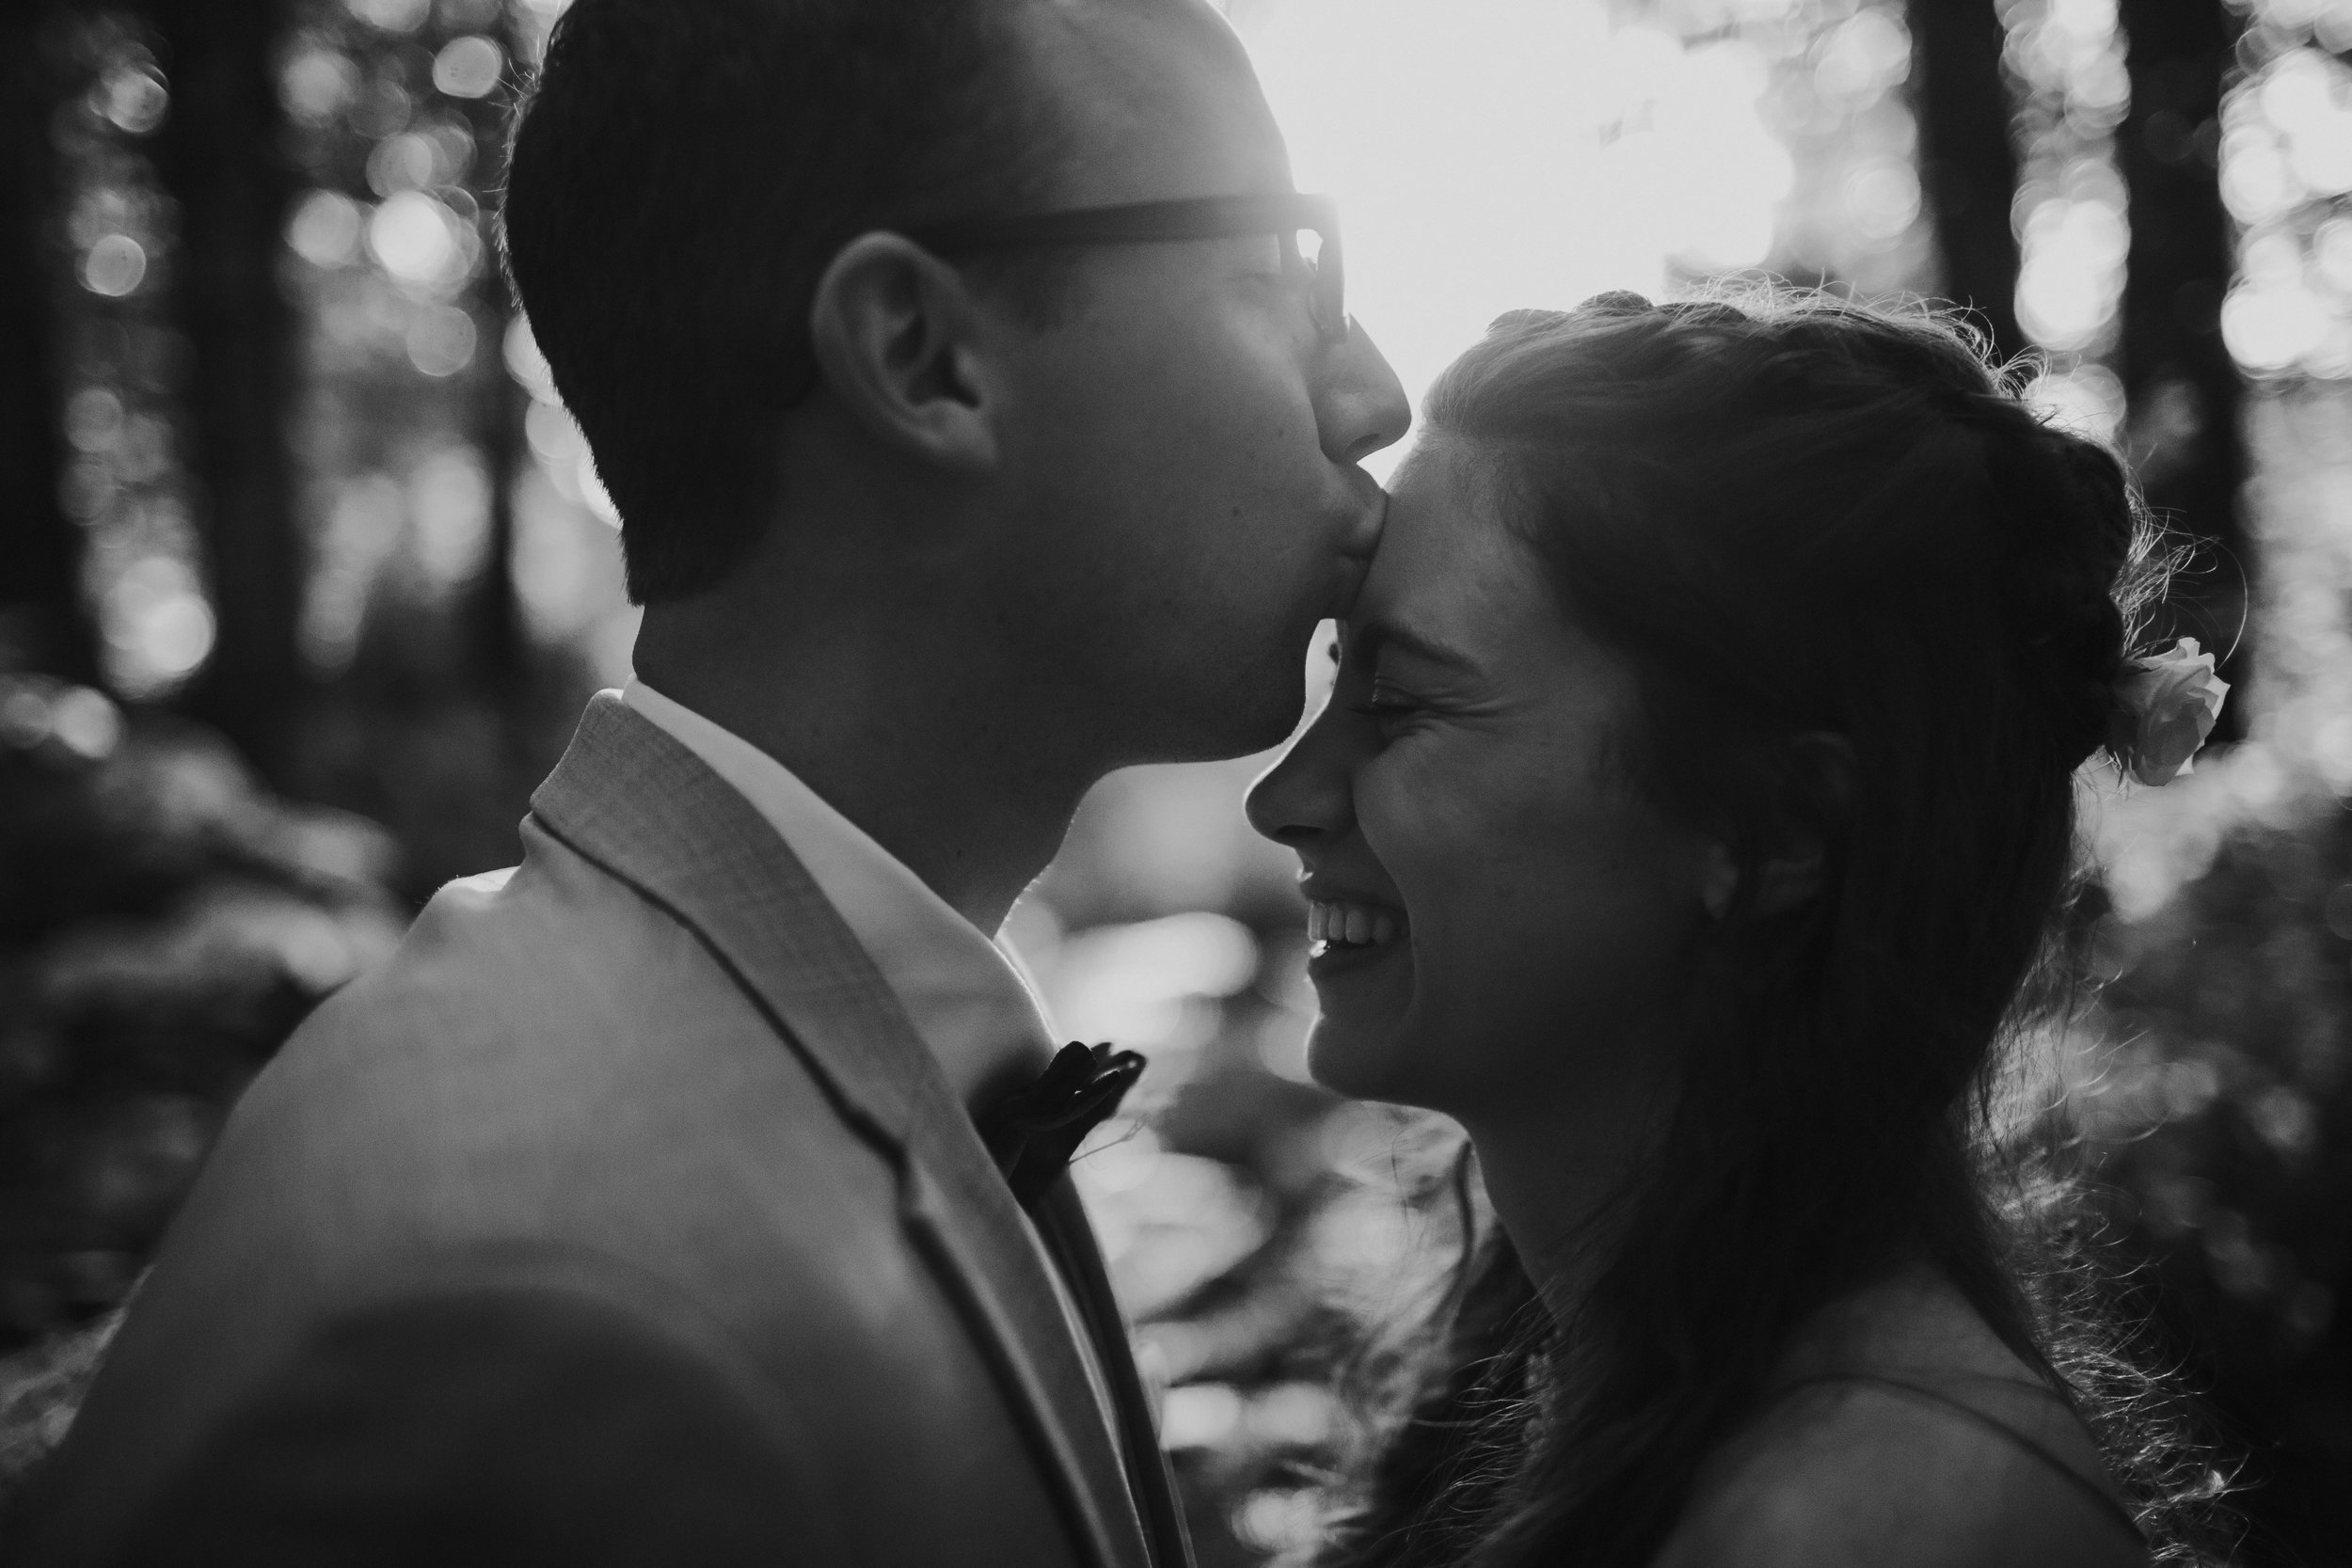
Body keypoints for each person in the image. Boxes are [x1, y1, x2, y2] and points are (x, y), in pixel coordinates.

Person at [17, 0, 1406, 1561]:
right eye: (1275, 274)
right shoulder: (536, 1325)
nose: (1373, 396)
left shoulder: (706, 1064)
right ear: (923, 354)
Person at [1246, 291, 2233, 1567]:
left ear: (1774, 835)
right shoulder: (1571, 1400)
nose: (1285, 800)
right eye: (1341, 678)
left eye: (1406, 702)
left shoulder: (1862, 1523)